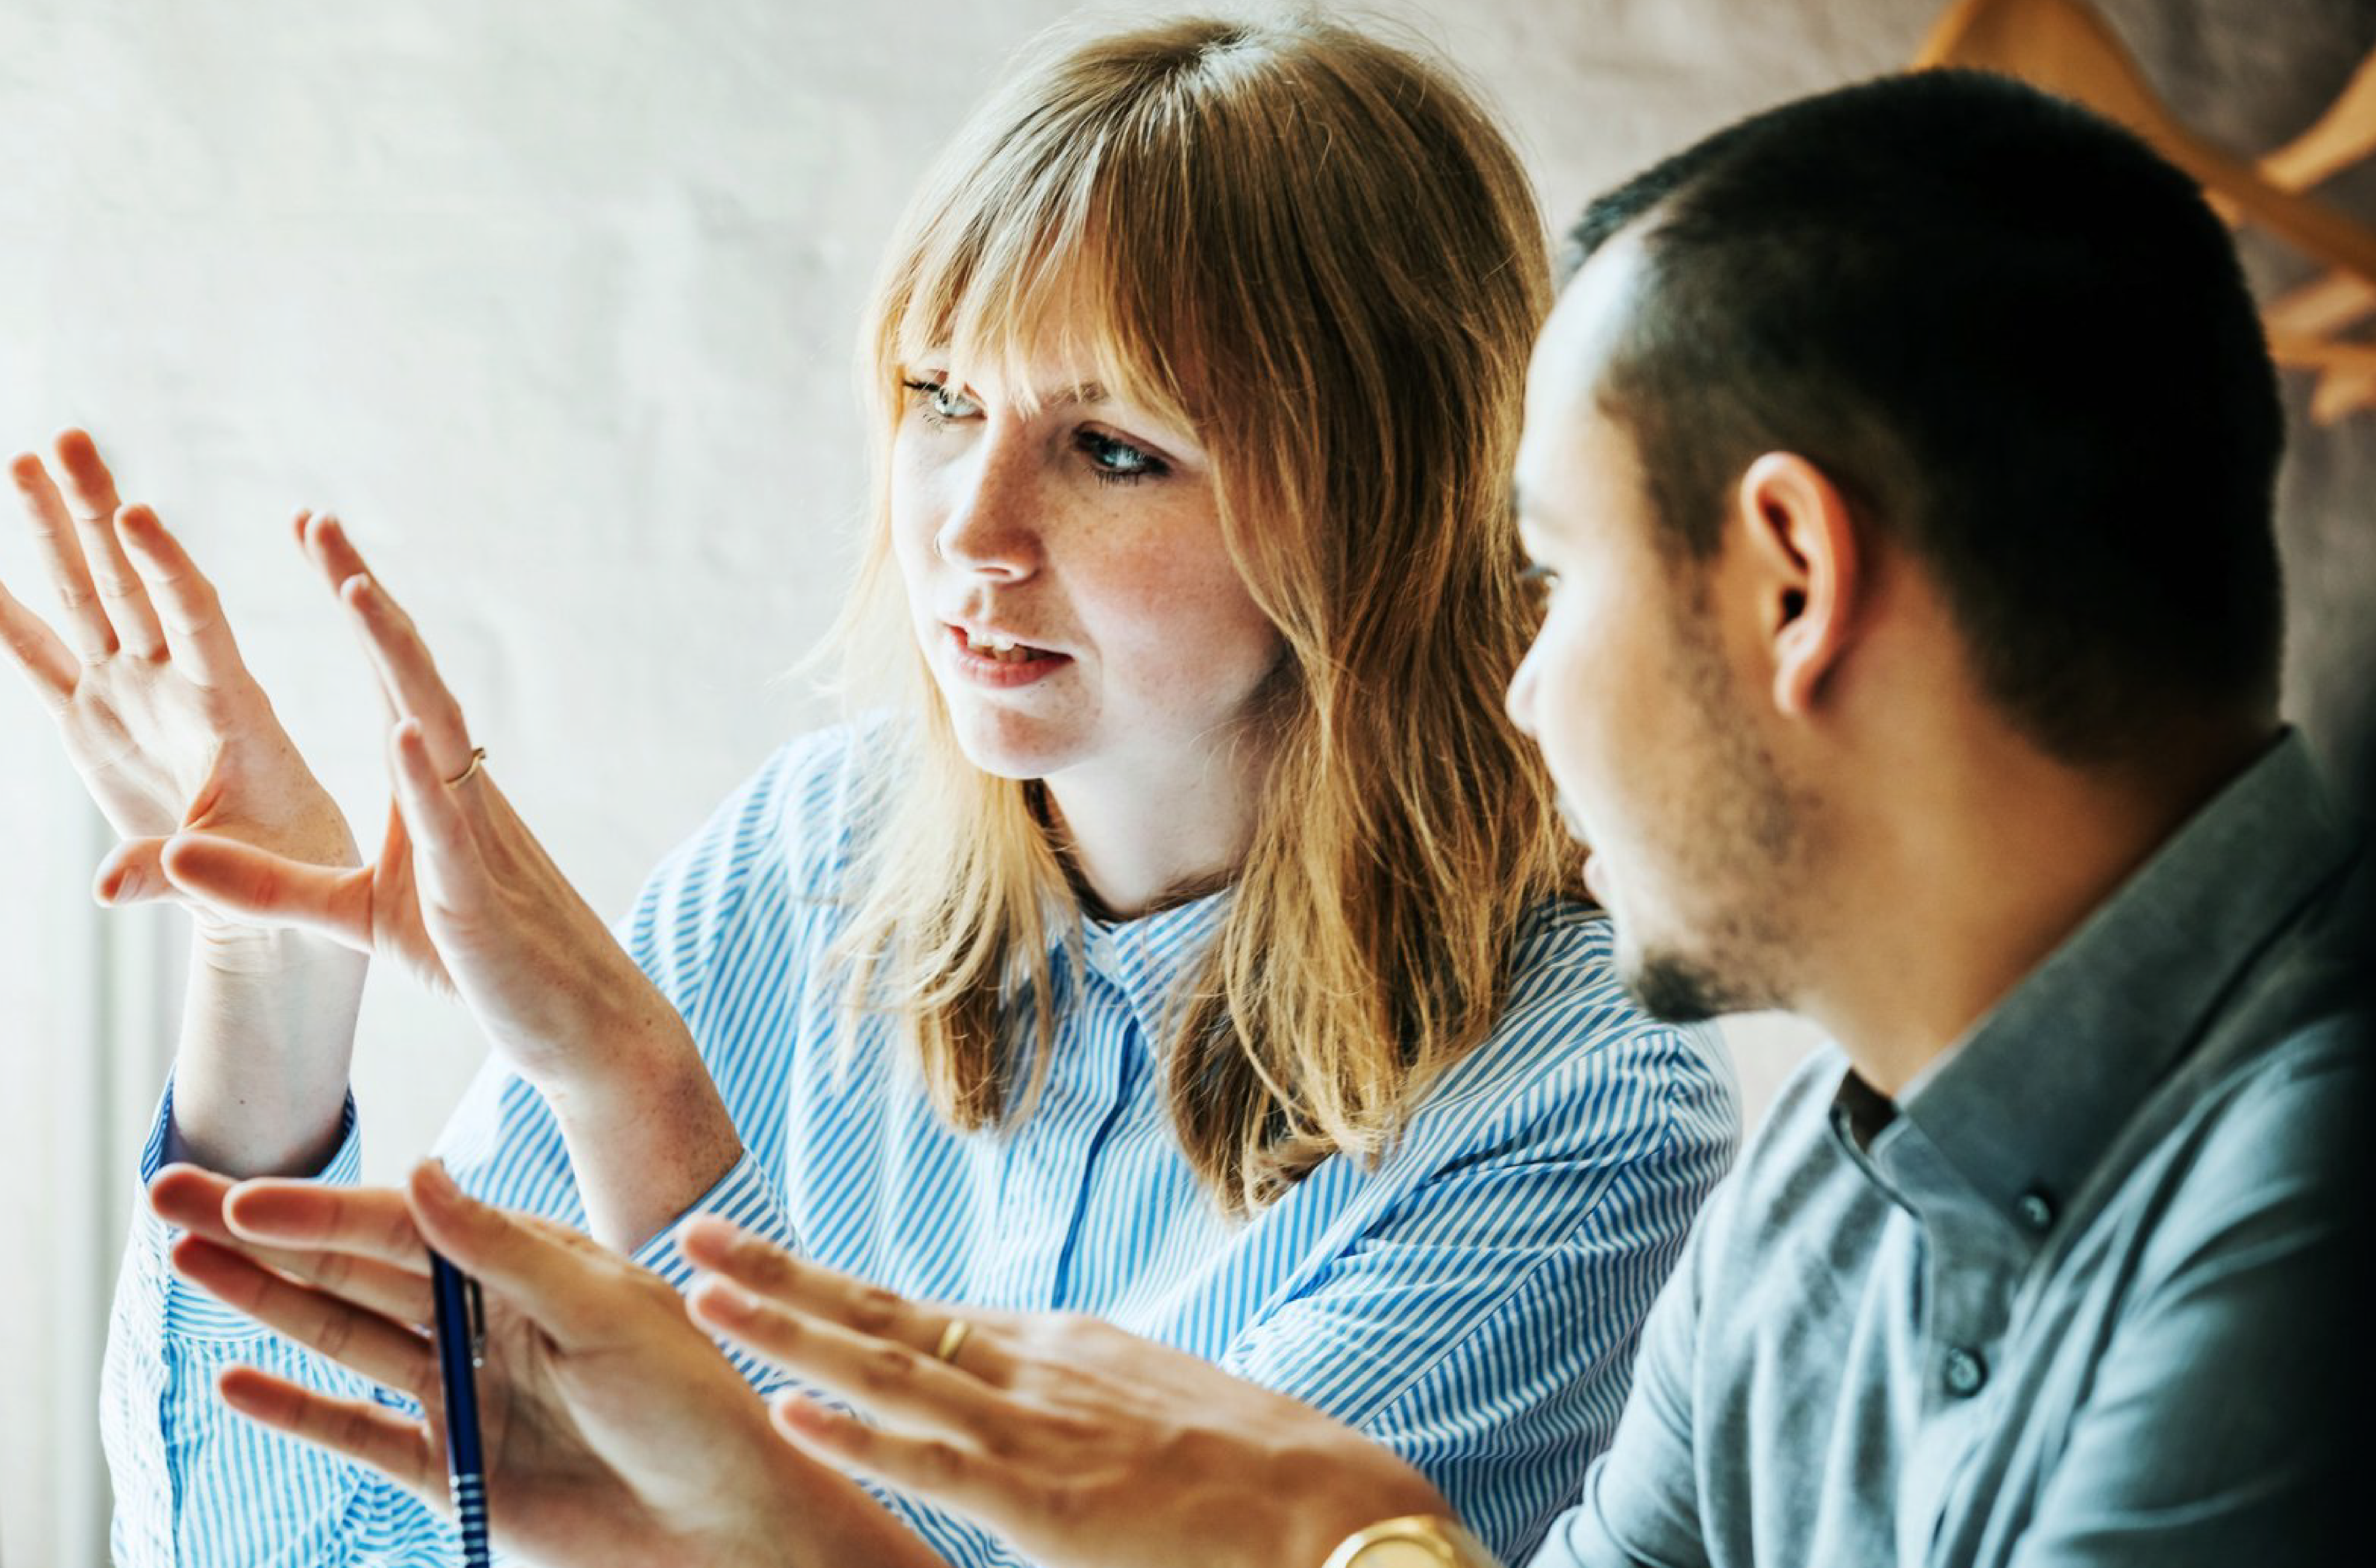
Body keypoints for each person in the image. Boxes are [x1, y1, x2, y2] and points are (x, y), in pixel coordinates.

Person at [0, 14, 1739, 1566]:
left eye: (1114, 448)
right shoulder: (809, 860)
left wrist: (637, 1095)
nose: (970, 528)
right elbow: (304, 1541)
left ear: (1385, 507)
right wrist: (273, 982)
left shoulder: (1582, 1105)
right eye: (941, 397)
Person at [573, 67, 2366, 1567]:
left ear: (1794, 583)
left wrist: (1344, 1544)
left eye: (1554, 570)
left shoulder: (2314, 1188)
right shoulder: (1834, 1170)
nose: (1516, 686)